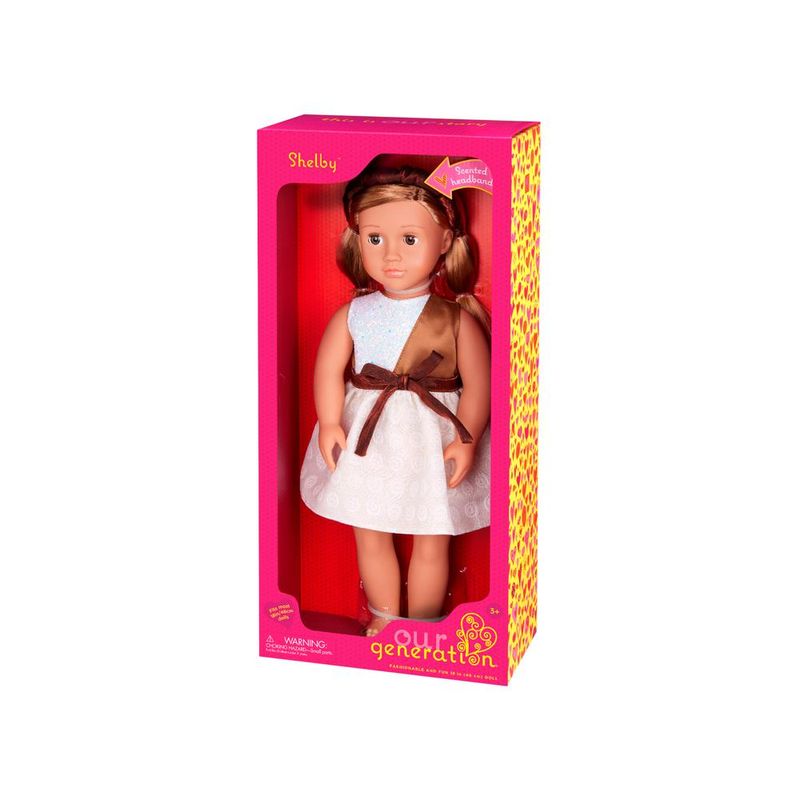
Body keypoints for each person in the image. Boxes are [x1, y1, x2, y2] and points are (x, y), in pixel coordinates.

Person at [299, 164, 491, 636]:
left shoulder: (455, 318)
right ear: (357, 239)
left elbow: (478, 384)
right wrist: (330, 421)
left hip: (432, 438)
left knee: (433, 535)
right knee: (370, 531)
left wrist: (466, 438)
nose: (390, 255)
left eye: (409, 239)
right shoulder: (355, 312)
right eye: (374, 238)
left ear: (444, 242)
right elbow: (328, 369)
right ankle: (384, 618)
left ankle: (423, 625)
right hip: (369, 438)